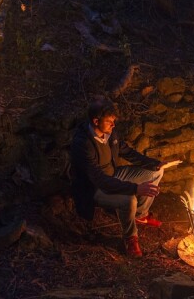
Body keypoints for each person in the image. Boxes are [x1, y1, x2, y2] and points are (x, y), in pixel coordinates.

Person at [70, 98, 181, 257]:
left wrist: (156, 163)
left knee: (157, 172)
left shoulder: (109, 133)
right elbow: (99, 180)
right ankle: (130, 238)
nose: (113, 125)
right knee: (130, 199)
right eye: (109, 122)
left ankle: (140, 215)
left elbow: (127, 152)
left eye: (113, 121)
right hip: (94, 187)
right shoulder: (82, 144)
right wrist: (135, 188)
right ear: (96, 121)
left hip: (113, 175)